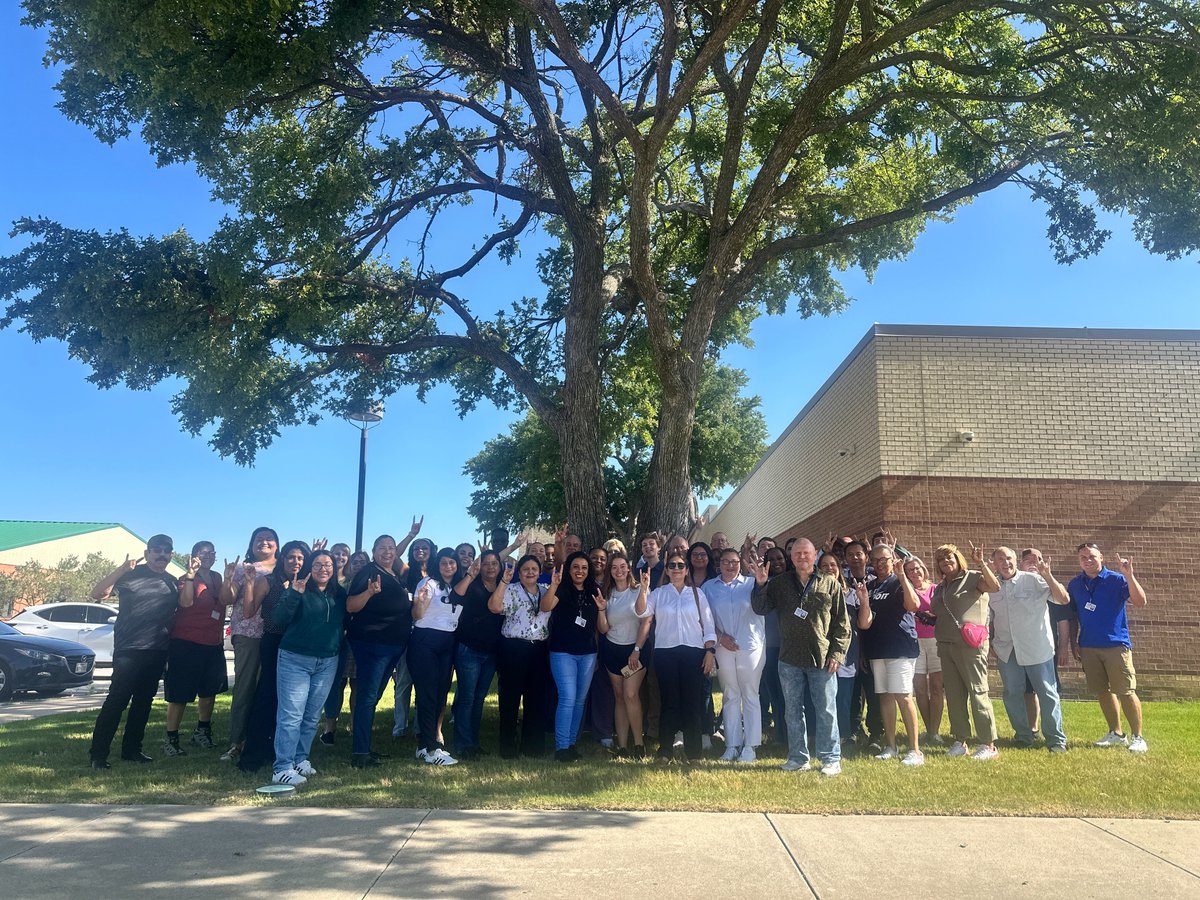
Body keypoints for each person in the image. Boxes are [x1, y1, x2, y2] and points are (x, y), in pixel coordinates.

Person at [750, 538, 850, 777]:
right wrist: (761, 584)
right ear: (791, 557)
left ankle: (830, 758)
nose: (802, 557)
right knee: (792, 710)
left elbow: (843, 624)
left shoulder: (830, 584)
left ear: (814, 555)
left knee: (825, 710)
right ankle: (798, 758)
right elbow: (760, 609)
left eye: (806, 553)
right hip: (789, 659)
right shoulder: (780, 583)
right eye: (797, 554)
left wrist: (837, 653)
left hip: (822, 658)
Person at [87, 535, 183, 768]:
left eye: (166, 551)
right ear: (147, 552)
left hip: (157, 648)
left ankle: (132, 750)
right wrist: (120, 569)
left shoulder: (172, 582)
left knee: (143, 701)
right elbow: (97, 593)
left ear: (171, 554)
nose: (162, 554)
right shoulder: (130, 574)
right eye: (156, 550)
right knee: (117, 700)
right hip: (129, 648)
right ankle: (98, 754)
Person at [271, 548, 352, 785]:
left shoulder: (340, 594)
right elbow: (279, 618)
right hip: (295, 658)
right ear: (309, 567)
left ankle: (300, 759)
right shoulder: (297, 588)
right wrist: (295, 594)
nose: (323, 568)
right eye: (317, 564)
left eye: (328, 564)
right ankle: (282, 767)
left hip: (327, 661)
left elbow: (346, 621)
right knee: (291, 715)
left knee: (312, 714)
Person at [1068, 543, 1149, 752]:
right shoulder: (1076, 584)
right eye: (1083, 557)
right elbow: (1073, 616)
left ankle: (1138, 738)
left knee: (1125, 691)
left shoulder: (1117, 579)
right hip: (1088, 646)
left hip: (1116, 645)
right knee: (1102, 691)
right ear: (1079, 561)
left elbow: (1140, 601)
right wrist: (1073, 642)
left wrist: (1129, 575)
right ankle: (1116, 733)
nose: (1088, 560)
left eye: (1092, 556)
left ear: (1101, 557)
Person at [237, 541, 310, 773]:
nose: (295, 562)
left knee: (290, 703)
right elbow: (248, 612)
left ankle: (277, 750)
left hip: (299, 644)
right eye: (290, 557)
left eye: (300, 558)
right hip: (274, 643)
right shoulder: (267, 581)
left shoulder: (308, 583)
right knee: (267, 697)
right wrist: (249, 584)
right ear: (282, 558)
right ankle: (252, 755)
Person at [988, 546, 1070, 752]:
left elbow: (1063, 599)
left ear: (1015, 560)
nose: (1005, 563)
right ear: (994, 563)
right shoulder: (991, 586)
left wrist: (1048, 575)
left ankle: (1056, 740)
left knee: (1047, 693)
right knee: (1012, 693)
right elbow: (987, 617)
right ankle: (1023, 736)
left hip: (1036, 647)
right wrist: (990, 643)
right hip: (1007, 649)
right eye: (1000, 559)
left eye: (1008, 558)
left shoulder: (1034, 580)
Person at [346, 534, 412, 768]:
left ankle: (365, 747)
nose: (388, 552)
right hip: (373, 645)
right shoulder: (368, 573)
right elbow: (351, 605)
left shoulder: (392, 574)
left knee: (372, 698)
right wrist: (369, 593)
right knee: (367, 697)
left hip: (392, 646)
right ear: (373, 552)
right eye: (382, 548)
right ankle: (360, 753)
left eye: (391, 548)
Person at [646, 547, 717, 762]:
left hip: (693, 653)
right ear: (666, 570)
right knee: (669, 702)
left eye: (680, 566)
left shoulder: (697, 593)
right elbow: (642, 613)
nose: (676, 569)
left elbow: (709, 625)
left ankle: (693, 753)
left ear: (686, 570)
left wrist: (710, 651)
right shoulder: (658, 594)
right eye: (672, 566)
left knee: (692, 703)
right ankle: (665, 750)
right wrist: (642, 590)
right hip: (665, 653)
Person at [931, 542, 1001, 760]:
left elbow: (994, 586)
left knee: (977, 692)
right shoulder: (942, 586)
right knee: (954, 695)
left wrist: (981, 563)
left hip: (970, 647)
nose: (946, 562)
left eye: (950, 557)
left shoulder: (972, 577)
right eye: (941, 559)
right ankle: (960, 741)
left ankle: (988, 744)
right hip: (946, 645)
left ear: (958, 558)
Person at [162, 541, 229, 756]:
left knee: (209, 692)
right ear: (193, 556)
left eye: (212, 552)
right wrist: (191, 575)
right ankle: (171, 739)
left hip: (213, 643)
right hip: (186, 643)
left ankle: (202, 732)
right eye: (203, 553)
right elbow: (186, 603)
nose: (208, 556)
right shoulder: (186, 578)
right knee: (180, 694)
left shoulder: (217, 578)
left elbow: (228, 599)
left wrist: (229, 578)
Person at [219, 526, 279, 762]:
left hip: (278, 635)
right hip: (249, 634)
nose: (264, 543)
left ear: (277, 544)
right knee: (245, 689)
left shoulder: (284, 566)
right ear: (252, 544)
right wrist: (227, 579)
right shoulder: (243, 569)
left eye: (269, 539)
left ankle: (266, 739)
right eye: (259, 539)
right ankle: (237, 742)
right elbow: (227, 599)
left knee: (271, 690)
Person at [860, 545, 922, 765]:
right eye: (874, 560)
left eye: (883, 559)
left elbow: (913, 605)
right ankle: (891, 746)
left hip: (900, 648)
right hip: (878, 649)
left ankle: (915, 750)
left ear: (892, 559)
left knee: (903, 696)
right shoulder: (871, 586)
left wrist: (902, 575)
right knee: (885, 697)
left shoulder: (898, 581)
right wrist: (864, 599)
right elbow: (864, 623)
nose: (879, 564)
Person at [541, 551, 604, 762]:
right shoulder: (562, 588)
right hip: (562, 652)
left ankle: (571, 744)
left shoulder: (594, 590)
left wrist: (602, 611)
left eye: (584, 568)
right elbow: (545, 607)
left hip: (587, 654)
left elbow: (600, 625)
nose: (580, 571)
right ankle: (561, 748)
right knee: (567, 697)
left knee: (579, 700)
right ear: (569, 569)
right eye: (576, 567)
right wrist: (554, 585)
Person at [489, 554, 553, 757]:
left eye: (534, 569)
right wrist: (504, 581)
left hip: (538, 650)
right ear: (520, 572)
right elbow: (494, 607)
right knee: (510, 698)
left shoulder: (545, 591)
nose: (530, 572)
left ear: (540, 571)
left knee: (535, 699)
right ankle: (508, 747)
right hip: (513, 648)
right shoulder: (511, 589)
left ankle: (533, 747)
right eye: (526, 569)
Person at [705, 548, 764, 762]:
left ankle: (750, 746)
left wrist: (760, 582)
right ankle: (732, 744)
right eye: (725, 562)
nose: (730, 566)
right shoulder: (708, 588)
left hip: (750, 646)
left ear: (740, 563)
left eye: (735, 562)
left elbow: (764, 604)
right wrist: (720, 637)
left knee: (749, 693)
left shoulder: (752, 583)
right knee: (730, 694)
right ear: (718, 564)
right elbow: (705, 618)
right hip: (723, 647)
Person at [409, 548, 464, 765]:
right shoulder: (427, 584)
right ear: (437, 564)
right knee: (427, 694)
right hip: (425, 642)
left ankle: (424, 745)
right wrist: (420, 603)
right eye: (444, 563)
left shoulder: (458, 586)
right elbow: (416, 616)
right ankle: (432, 749)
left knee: (440, 694)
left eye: (452, 562)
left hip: (447, 643)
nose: (448, 567)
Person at [450, 550, 504, 759]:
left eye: (494, 563)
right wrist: (470, 575)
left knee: (479, 698)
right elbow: (455, 596)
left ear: (500, 566)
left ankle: (473, 741)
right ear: (479, 566)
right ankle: (463, 745)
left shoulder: (502, 584)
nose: (490, 567)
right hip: (469, 649)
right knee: (466, 697)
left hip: (491, 652)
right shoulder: (472, 584)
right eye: (486, 563)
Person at [600, 554, 652, 758]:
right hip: (612, 650)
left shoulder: (640, 589)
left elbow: (646, 621)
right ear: (610, 571)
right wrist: (601, 609)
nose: (619, 570)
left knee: (631, 694)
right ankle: (622, 746)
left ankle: (639, 745)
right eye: (614, 567)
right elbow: (604, 628)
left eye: (623, 566)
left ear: (629, 568)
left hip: (635, 651)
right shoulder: (607, 593)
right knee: (620, 697)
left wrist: (637, 650)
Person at [320, 549, 370, 745]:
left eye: (363, 561)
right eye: (355, 561)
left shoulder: (372, 584)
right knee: (336, 685)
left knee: (358, 685)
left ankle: (354, 725)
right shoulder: (342, 585)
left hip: (362, 640)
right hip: (340, 640)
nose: (358, 564)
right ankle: (330, 727)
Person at [1022, 547, 1079, 690]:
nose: (1032, 564)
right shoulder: (1015, 585)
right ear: (1020, 564)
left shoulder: (1051, 587)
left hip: (1047, 649)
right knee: (1027, 690)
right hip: (1021, 648)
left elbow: (1063, 620)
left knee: (1049, 688)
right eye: (1028, 560)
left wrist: (1063, 648)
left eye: (1036, 560)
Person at [905, 556, 944, 745]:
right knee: (920, 689)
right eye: (910, 570)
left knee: (937, 688)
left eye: (917, 568)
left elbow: (945, 611)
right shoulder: (905, 590)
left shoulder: (936, 589)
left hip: (936, 641)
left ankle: (934, 732)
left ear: (924, 569)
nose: (915, 572)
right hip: (914, 642)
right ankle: (928, 730)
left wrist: (933, 616)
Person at [759, 545, 789, 745]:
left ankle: (794, 733)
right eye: (773, 560)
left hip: (792, 647)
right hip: (769, 648)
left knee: (791, 694)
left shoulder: (794, 582)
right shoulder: (762, 584)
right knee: (776, 693)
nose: (777, 563)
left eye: (780, 558)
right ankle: (781, 734)